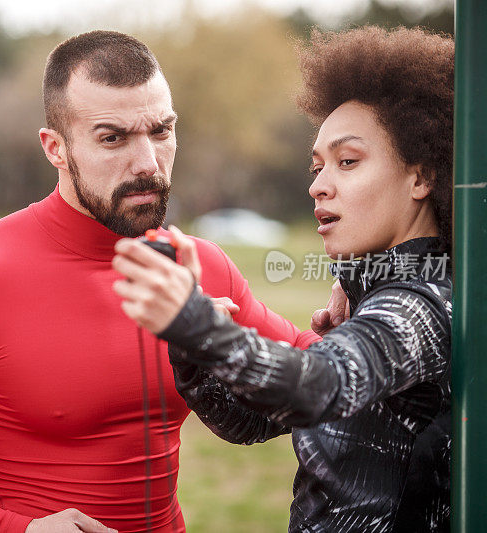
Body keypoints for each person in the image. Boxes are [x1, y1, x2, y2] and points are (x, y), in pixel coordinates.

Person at [0, 30, 322, 533]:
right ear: (55, 148)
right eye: (113, 137)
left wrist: (376, 295)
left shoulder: (197, 267)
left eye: (161, 130)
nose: (148, 162)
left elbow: (327, 370)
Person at [112, 26, 454, 532]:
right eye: (317, 167)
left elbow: (315, 386)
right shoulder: (377, 295)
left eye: (348, 162)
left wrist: (197, 325)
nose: (318, 185)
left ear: (421, 177)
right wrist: (192, 351)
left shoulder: (417, 305)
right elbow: (246, 425)